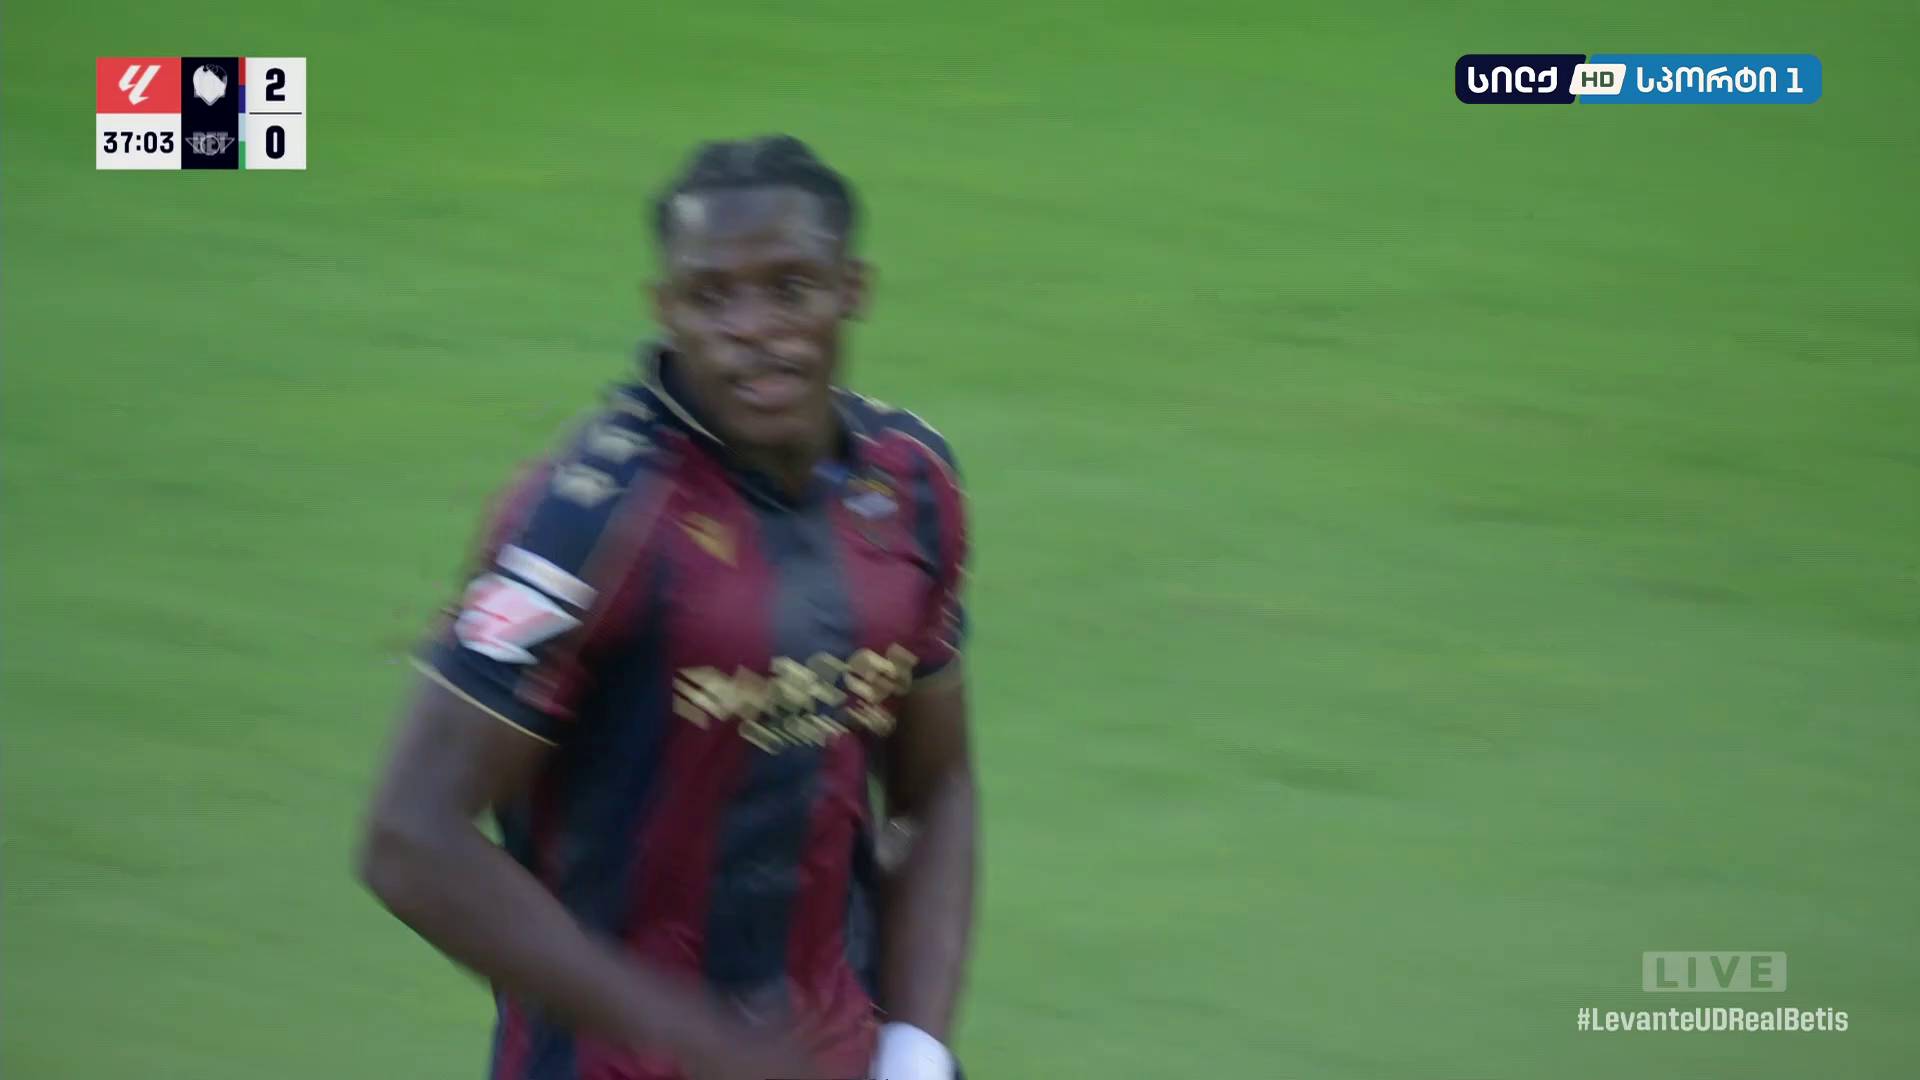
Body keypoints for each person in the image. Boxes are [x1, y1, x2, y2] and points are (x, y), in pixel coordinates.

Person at [357, 135, 976, 1080]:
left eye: (790, 288)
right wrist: (704, 1048)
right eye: (711, 296)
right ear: (666, 308)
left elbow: (936, 787)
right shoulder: (587, 519)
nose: (752, 329)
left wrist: (917, 1046)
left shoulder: (908, 488)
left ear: (852, 289)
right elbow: (411, 839)